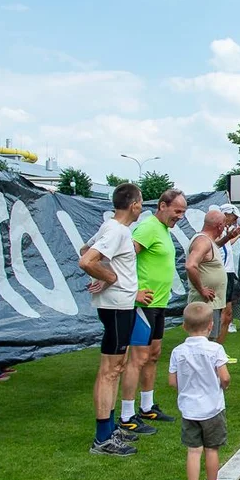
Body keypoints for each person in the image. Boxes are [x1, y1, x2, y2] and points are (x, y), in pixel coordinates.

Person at [79, 183, 147, 457]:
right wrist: (110, 277)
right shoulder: (117, 230)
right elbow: (87, 259)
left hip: (120, 305)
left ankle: (108, 430)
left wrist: (105, 274)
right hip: (117, 306)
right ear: (133, 205)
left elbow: (86, 248)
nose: (142, 207)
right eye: (141, 202)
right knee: (111, 370)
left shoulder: (113, 228)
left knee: (114, 369)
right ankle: (102, 438)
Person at [120, 188, 188, 433]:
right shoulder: (148, 227)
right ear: (162, 206)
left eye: (183, 212)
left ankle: (146, 406)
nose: (180, 216)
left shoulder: (164, 230)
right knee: (136, 359)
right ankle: (127, 415)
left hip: (159, 304)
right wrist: (134, 291)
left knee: (154, 355)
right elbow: (124, 258)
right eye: (177, 211)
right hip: (143, 305)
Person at [168, 302, 230, 480]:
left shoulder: (178, 351)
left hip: (189, 408)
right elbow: (225, 377)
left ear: (184, 326)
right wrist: (223, 386)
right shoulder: (216, 349)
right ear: (211, 325)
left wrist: (185, 390)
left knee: (193, 450)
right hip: (212, 407)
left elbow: (172, 382)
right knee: (212, 448)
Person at [186, 210, 229, 343]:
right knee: (204, 341)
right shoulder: (203, 241)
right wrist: (202, 289)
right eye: (225, 225)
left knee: (207, 341)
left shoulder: (207, 241)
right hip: (205, 303)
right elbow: (190, 265)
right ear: (220, 225)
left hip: (210, 303)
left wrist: (229, 237)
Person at [214, 203, 240, 345]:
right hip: (221, 273)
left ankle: (218, 348)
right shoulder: (217, 230)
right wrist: (232, 234)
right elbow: (216, 244)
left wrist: (238, 233)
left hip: (227, 274)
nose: (235, 220)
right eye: (234, 217)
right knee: (221, 313)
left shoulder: (224, 231)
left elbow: (227, 244)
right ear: (226, 215)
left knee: (227, 314)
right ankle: (214, 346)